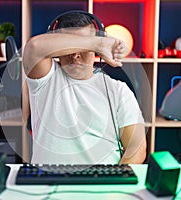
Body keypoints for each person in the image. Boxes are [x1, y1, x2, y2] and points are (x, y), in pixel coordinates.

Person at [23, 11, 146, 164]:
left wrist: (114, 182)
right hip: (48, 181)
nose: (75, 55)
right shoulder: (45, 79)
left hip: (102, 183)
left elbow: (136, 148)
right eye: (69, 46)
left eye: (83, 46)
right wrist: (96, 43)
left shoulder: (118, 90)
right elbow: (34, 47)